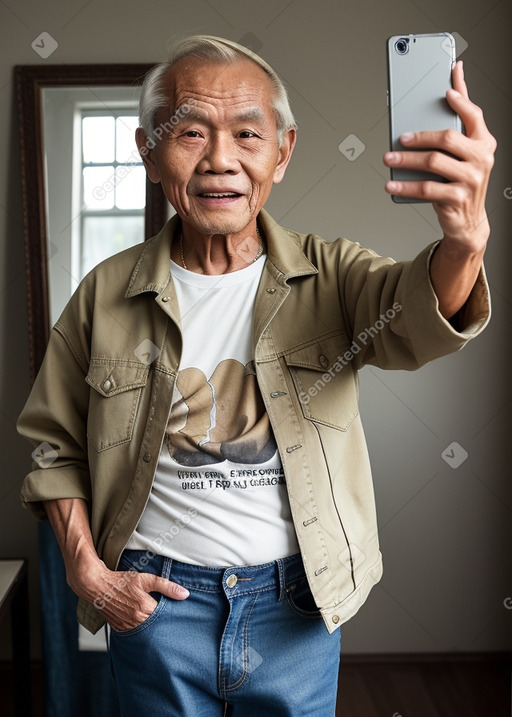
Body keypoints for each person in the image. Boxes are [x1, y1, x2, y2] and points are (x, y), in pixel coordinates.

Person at [18, 34, 494, 716]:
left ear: (282, 150)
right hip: (157, 609)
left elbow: (421, 316)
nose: (220, 158)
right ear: (149, 151)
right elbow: (51, 445)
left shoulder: (333, 277)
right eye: (189, 132)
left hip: (294, 609)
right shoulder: (102, 295)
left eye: (247, 132)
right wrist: (87, 572)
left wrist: (464, 240)